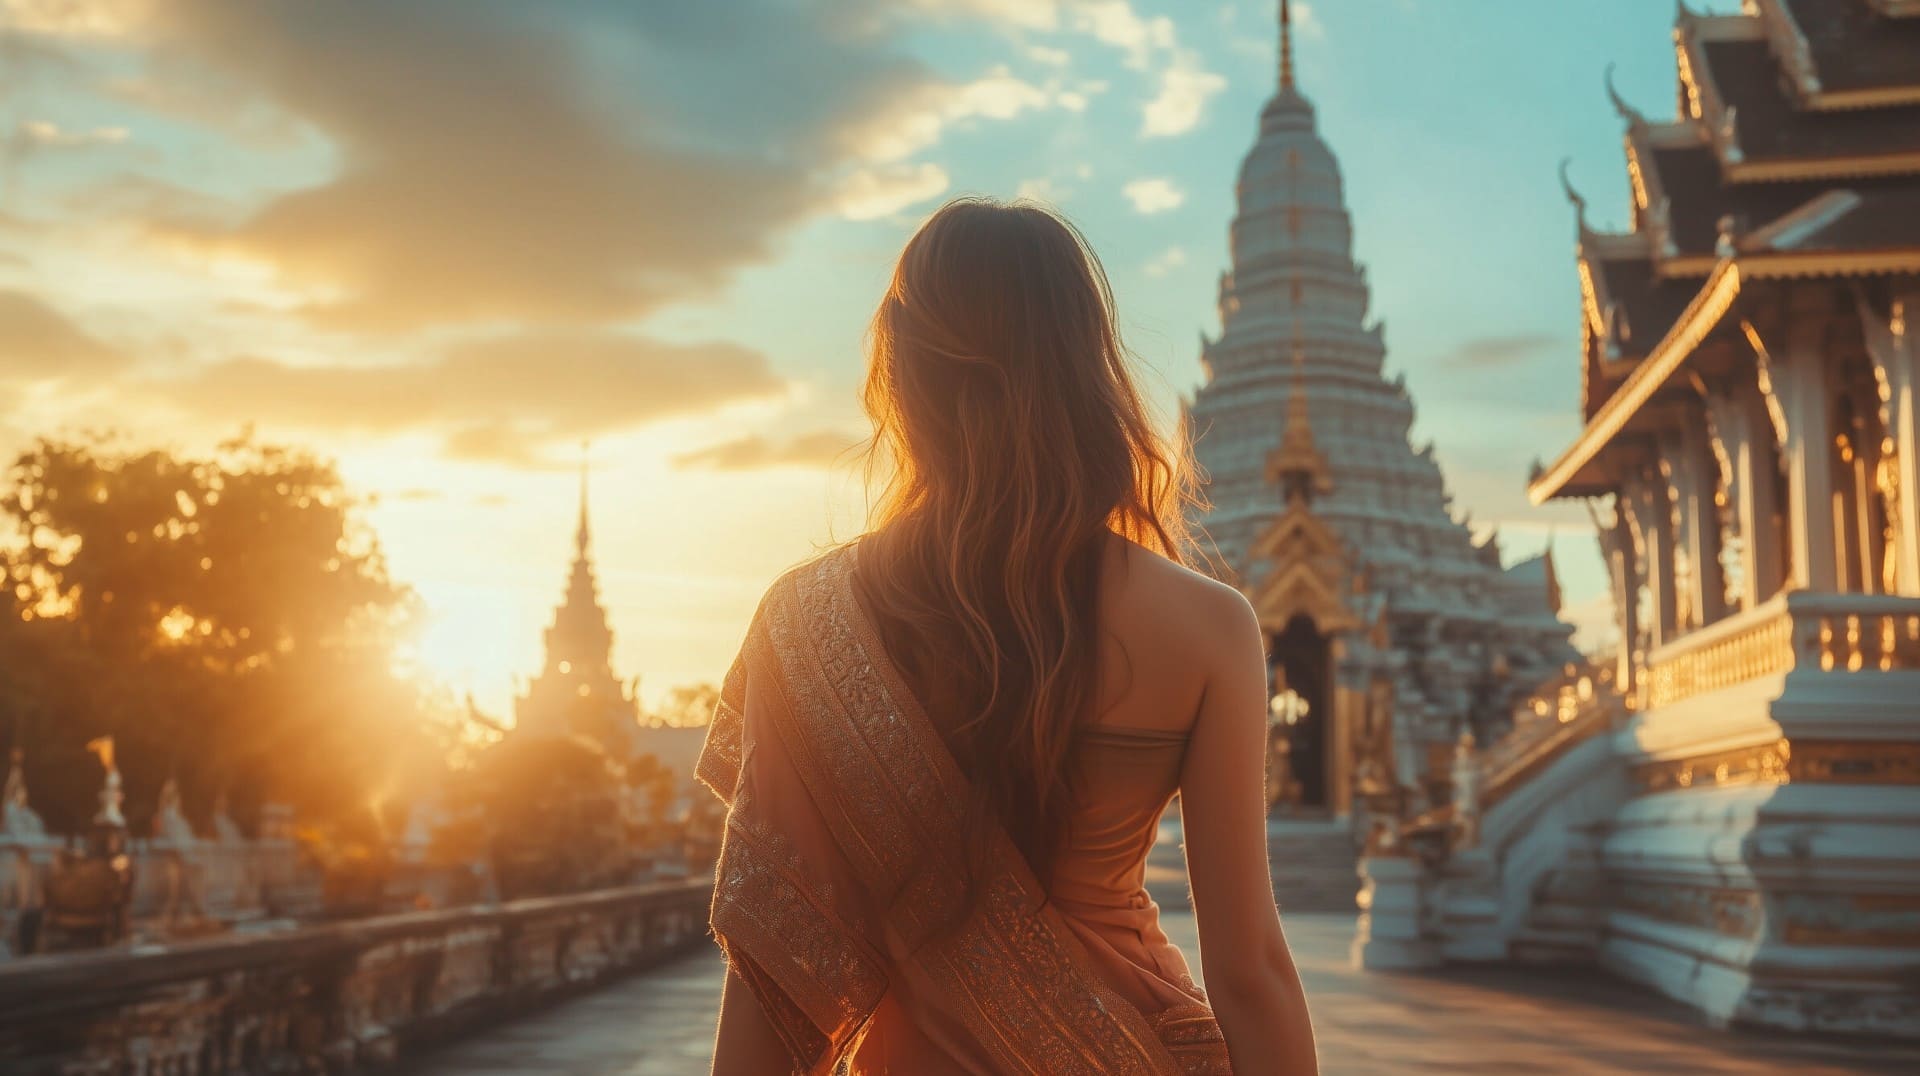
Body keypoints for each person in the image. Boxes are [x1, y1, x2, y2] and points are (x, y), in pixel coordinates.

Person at [702, 198, 1318, 1075]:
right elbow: (1250, 969)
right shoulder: (1210, 626)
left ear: (902, 374)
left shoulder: (803, 625)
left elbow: (771, 974)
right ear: (1086, 370)